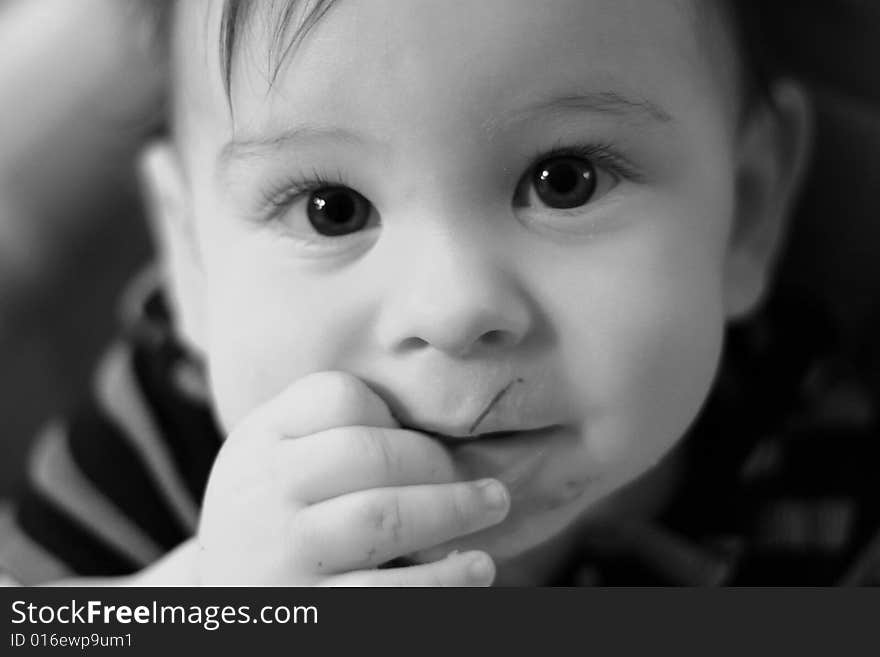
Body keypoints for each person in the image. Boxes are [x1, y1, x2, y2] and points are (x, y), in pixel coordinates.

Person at [2, 0, 878, 586]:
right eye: (331, 208)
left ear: (746, 212)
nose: (454, 309)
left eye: (564, 179)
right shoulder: (158, 451)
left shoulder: (811, 455)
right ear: (190, 257)